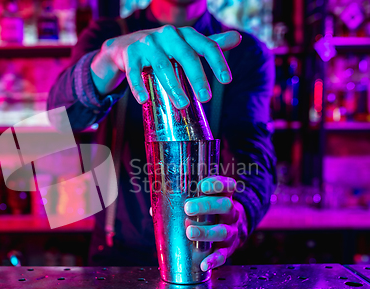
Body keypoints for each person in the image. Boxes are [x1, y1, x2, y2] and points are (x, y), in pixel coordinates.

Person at [47, 0, 276, 271]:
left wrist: (239, 210)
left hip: (204, 259)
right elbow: (61, 119)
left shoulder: (245, 52)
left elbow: (253, 153)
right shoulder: (105, 35)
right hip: (116, 259)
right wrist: (107, 61)